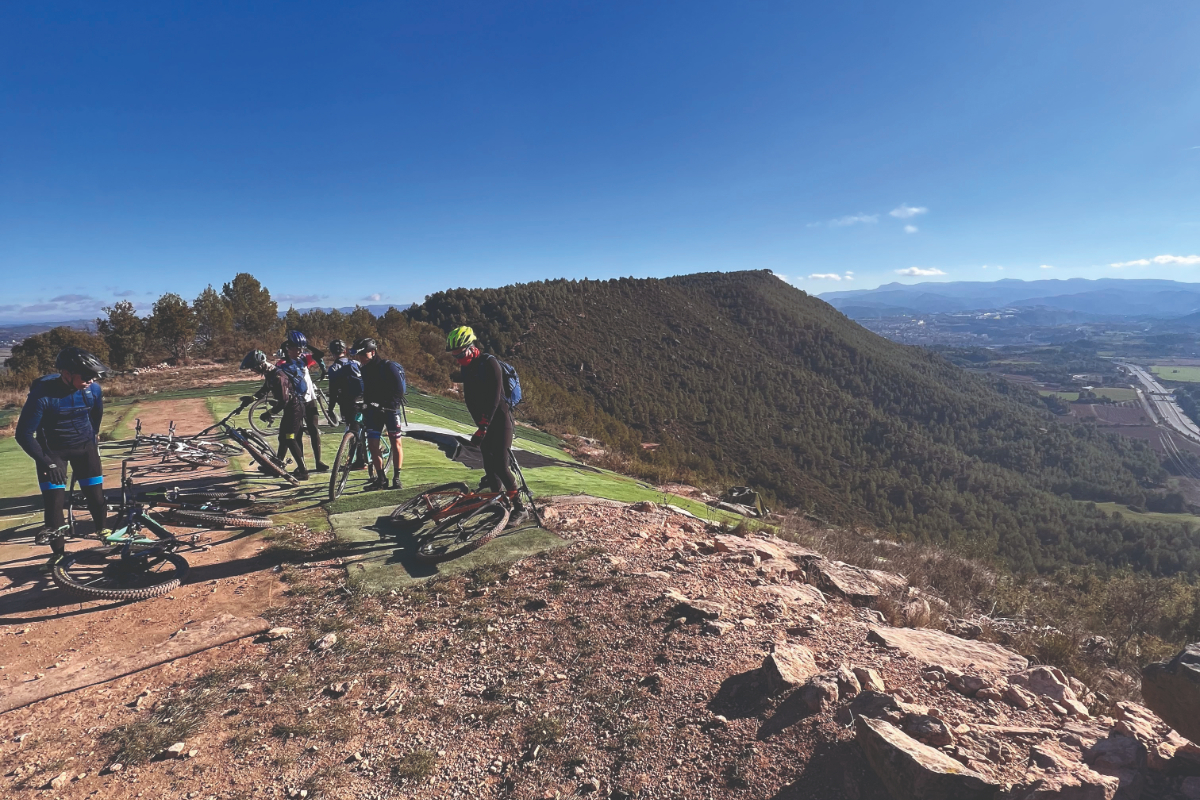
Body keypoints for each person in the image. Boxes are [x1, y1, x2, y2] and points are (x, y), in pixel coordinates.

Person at [16, 347, 110, 541]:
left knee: (96, 496)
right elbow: (23, 434)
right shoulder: (42, 396)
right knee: (54, 503)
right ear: (67, 374)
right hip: (52, 453)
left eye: (94, 377)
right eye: (86, 376)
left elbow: (95, 417)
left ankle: (103, 531)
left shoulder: (93, 390)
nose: (91, 381)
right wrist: (47, 462)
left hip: (85, 448)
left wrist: (92, 438)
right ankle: (58, 556)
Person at [446, 326, 528, 527]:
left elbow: (493, 398)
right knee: (490, 466)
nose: (458, 359)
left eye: (460, 354)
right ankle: (500, 503)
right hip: (484, 422)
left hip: (500, 421)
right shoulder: (468, 366)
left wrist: (483, 427)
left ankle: (520, 508)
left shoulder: (490, 363)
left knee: (501, 463)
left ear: (471, 347)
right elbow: (472, 390)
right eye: (454, 355)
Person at [242, 349, 309, 480]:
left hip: (295, 409)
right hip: (290, 409)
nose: (252, 371)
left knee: (290, 438)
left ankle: (303, 471)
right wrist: (249, 400)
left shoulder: (278, 377)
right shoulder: (270, 374)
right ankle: (277, 465)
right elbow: (264, 390)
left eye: (253, 368)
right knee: (282, 438)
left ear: (259, 365)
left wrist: (269, 413)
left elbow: (284, 401)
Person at [351, 337, 405, 490]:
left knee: (396, 443)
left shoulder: (387, 367)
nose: (360, 358)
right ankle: (381, 478)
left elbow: (398, 391)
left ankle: (396, 477)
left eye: (363, 354)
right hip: (374, 410)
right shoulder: (364, 369)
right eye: (359, 355)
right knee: (373, 445)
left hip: (390, 409)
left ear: (372, 352)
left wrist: (387, 406)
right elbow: (367, 390)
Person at [274, 330, 328, 472]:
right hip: (295, 403)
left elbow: (320, 355)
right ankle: (301, 464)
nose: (299, 351)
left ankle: (318, 461)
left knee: (314, 430)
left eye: (301, 349)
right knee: (296, 435)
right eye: (296, 348)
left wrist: (306, 345)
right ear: (288, 348)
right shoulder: (282, 363)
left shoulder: (303, 359)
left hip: (310, 400)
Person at [326, 339, 366, 468]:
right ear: (345, 351)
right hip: (364, 400)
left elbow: (333, 392)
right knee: (362, 428)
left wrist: (330, 408)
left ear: (332, 353)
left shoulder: (333, 368)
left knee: (352, 430)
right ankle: (364, 457)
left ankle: (359, 460)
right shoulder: (356, 363)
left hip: (348, 404)